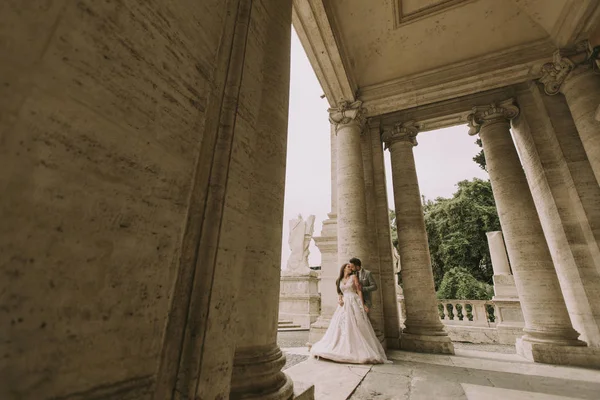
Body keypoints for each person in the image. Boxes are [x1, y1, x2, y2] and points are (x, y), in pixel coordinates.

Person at [309, 263, 390, 364]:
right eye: (348, 267)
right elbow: (340, 293)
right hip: (343, 304)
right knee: (340, 325)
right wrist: (340, 299)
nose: (350, 268)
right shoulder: (339, 280)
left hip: (353, 301)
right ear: (343, 268)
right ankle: (339, 345)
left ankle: (356, 348)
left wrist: (362, 304)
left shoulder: (354, 277)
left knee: (356, 324)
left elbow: (359, 291)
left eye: (351, 267)